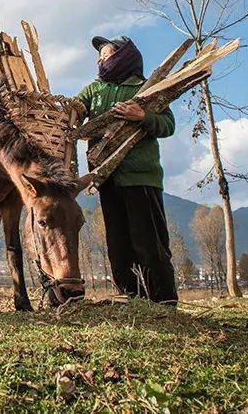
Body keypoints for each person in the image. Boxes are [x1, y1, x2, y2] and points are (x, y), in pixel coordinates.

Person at [76, 35, 178, 305]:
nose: (100, 60)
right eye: (99, 56)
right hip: (106, 179)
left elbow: (168, 126)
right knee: (118, 244)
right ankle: (130, 299)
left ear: (124, 56)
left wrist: (143, 117)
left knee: (150, 243)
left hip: (141, 178)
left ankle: (164, 302)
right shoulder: (94, 90)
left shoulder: (147, 88)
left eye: (106, 54)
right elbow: (74, 109)